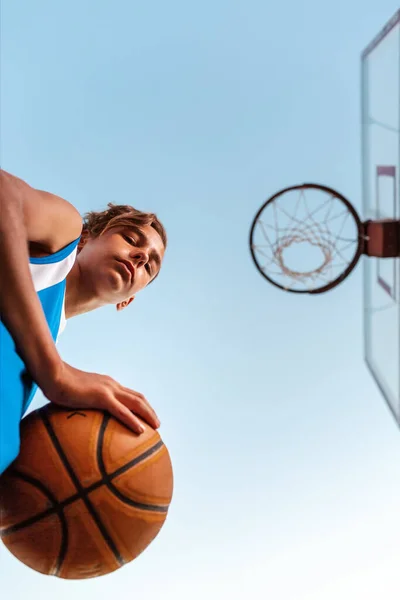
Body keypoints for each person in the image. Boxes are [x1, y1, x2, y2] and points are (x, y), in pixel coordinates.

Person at [0, 169, 166, 475]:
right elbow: (4, 191)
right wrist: (55, 372)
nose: (141, 256)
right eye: (131, 239)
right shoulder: (63, 238)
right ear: (86, 239)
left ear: (126, 301)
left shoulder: (40, 344)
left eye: (150, 266)